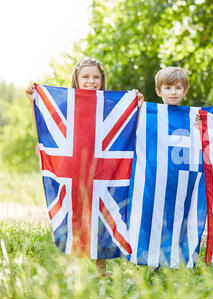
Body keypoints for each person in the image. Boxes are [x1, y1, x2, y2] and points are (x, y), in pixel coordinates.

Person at [26, 57, 144, 278]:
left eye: (96, 77)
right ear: (76, 79)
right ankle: (69, 270)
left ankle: (101, 271)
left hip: (102, 171)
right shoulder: (65, 105)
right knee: (74, 214)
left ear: (102, 80)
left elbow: (129, 133)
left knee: (100, 215)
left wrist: (135, 105)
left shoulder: (111, 106)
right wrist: (35, 101)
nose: (91, 81)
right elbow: (46, 129)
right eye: (86, 77)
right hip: (72, 169)